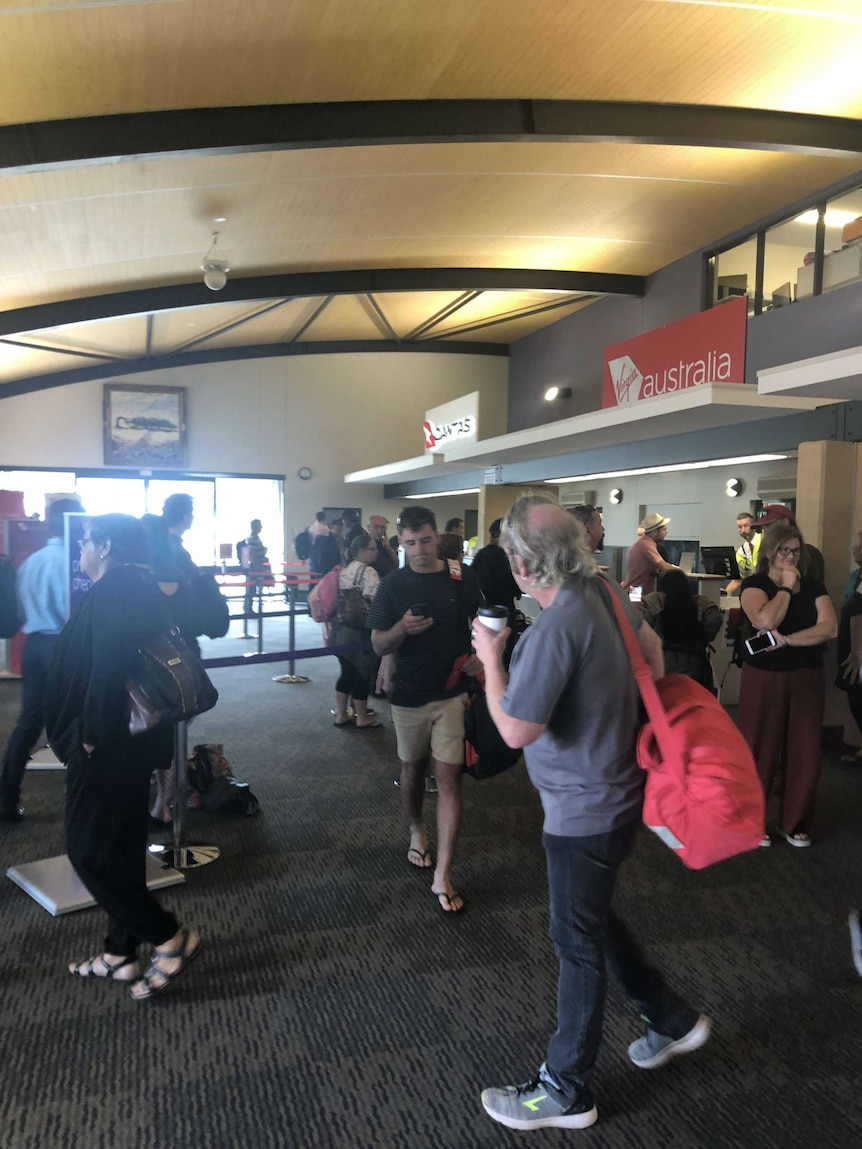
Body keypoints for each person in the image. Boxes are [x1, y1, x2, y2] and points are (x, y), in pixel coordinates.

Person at [471, 495, 709, 1132]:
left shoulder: (555, 627)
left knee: (574, 942)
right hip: (621, 788)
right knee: (592, 917)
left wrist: (492, 661)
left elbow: (516, 730)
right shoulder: (602, 591)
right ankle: (670, 1018)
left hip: (583, 812)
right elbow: (654, 660)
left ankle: (566, 1088)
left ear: (521, 564)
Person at [43, 514, 201, 1000]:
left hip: (107, 743)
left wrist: (87, 736)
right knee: (121, 846)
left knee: (87, 849)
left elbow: (107, 666)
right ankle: (119, 952)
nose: (82, 551)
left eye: (87, 542)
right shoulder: (136, 584)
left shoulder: (117, 589)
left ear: (105, 545)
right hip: (127, 742)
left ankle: (169, 936)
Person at [369, 506, 481, 911]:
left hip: (452, 692)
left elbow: (482, 622)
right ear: (401, 542)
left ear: (438, 538)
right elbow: (378, 643)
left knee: (450, 778)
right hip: (410, 695)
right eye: (411, 543)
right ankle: (417, 829)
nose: (419, 550)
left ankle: (443, 874)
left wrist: (482, 657)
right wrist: (401, 630)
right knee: (413, 769)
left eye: (426, 541)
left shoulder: (461, 576)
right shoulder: (392, 585)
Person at [738, 521, 837, 848]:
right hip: (764, 677)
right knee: (760, 747)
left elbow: (829, 628)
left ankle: (794, 821)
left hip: (806, 675)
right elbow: (764, 621)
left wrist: (790, 641)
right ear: (770, 552)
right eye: (785, 550)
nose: (791, 557)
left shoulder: (813, 587)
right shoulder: (755, 584)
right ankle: (754, 820)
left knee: (805, 749)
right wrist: (785, 590)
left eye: (796, 551)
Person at [1, 497, 83, 823]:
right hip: (64, 646)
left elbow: (20, 610)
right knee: (79, 721)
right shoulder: (74, 562)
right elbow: (72, 613)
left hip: (33, 645)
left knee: (28, 722)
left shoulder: (31, 561)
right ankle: (82, 803)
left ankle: (7, 798)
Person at [331, 533, 383, 729]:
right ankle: (361, 716)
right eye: (372, 548)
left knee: (346, 672)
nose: (376, 552)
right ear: (361, 551)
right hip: (359, 631)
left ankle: (341, 713)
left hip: (340, 629)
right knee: (362, 673)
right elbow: (376, 600)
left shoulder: (344, 570)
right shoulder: (368, 572)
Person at [642, 569, 723, 691]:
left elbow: (641, 624)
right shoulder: (701, 602)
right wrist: (704, 637)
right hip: (695, 662)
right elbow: (715, 619)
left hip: (662, 660)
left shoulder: (654, 600)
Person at [836, 529, 862, 764]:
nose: (855, 548)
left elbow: (857, 615)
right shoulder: (857, 576)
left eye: (859, 543)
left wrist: (856, 654)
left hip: (859, 651)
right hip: (851, 645)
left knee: (858, 696)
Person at [755, 504, 825, 583]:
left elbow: (815, 590)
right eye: (763, 528)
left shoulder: (810, 553)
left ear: (785, 522)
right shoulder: (765, 551)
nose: (766, 531)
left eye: (768, 525)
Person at [470, 517, 522, 620]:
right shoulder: (506, 557)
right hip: (504, 610)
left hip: (484, 613)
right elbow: (516, 587)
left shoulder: (481, 555)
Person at [623, 512, 678, 596]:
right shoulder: (646, 545)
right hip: (636, 591)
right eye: (664, 529)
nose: (666, 532)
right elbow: (663, 566)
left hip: (634, 589)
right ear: (655, 531)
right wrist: (681, 572)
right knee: (639, 609)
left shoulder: (640, 543)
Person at [725, 511, 761, 595]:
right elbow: (737, 580)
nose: (743, 530)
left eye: (746, 526)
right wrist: (724, 594)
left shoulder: (765, 541)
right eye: (740, 527)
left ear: (753, 526)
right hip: (754, 590)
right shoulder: (742, 551)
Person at [238, 518, 269, 616]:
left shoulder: (254, 538)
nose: (261, 527)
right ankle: (248, 608)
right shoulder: (253, 539)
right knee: (251, 588)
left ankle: (248, 607)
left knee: (251, 588)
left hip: (254, 566)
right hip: (254, 567)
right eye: (259, 525)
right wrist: (258, 567)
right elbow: (252, 554)